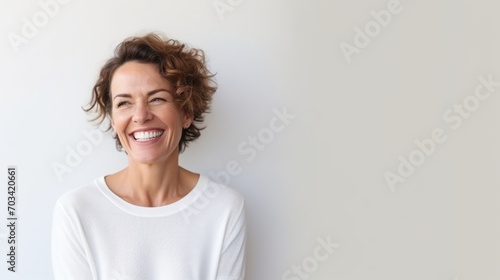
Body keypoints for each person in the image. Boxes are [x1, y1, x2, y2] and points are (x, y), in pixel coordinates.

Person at [51, 33, 246, 280]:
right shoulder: (76, 210)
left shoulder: (224, 208)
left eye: (157, 99)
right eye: (124, 103)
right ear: (114, 121)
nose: (141, 116)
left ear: (186, 112)